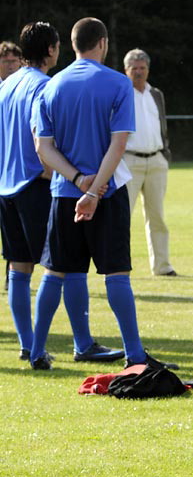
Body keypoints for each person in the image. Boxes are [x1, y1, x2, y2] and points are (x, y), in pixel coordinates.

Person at [31, 17, 175, 370]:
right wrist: (94, 190)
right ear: (104, 43)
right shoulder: (117, 83)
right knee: (116, 274)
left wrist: (78, 180)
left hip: (64, 194)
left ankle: (36, 351)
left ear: (73, 44)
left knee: (56, 272)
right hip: (107, 195)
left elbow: (43, 148)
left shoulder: (50, 86)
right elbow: (118, 142)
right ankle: (135, 353)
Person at [0, 21, 123, 364]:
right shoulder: (45, 86)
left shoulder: (6, 86)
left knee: (18, 269)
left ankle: (28, 344)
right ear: (53, 49)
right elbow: (44, 143)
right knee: (66, 265)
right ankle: (82, 343)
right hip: (35, 186)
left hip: (5, 189)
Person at [122, 48, 176, 277]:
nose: (138, 72)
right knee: (122, 217)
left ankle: (162, 266)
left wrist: (165, 154)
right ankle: (119, 265)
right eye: (134, 68)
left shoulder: (156, 94)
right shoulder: (121, 94)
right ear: (126, 70)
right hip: (128, 160)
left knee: (157, 218)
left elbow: (162, 125)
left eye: (142, 68)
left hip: (156, 161)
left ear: (148, 69)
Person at [1, 41, 22, 293]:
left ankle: (11, 277)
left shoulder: (21, 91)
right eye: (6, 61)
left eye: (15, 61)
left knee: (11, 232)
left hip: (10, 172)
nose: (10, 65)